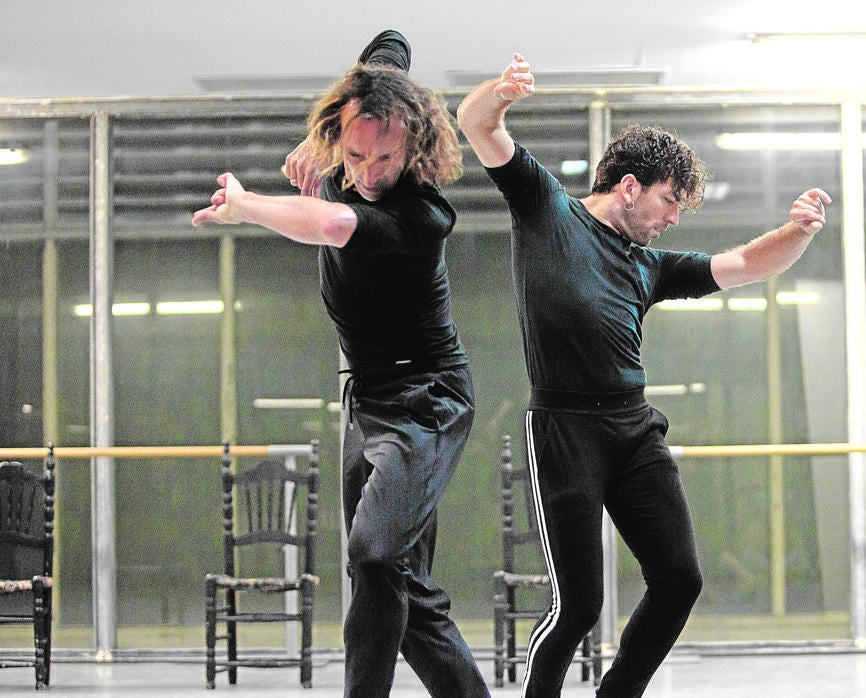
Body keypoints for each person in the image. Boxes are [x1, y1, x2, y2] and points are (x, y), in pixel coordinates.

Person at [457, 53, 832, 697]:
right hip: (565, 429)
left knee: (680, 578)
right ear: (630, 186)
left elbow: (744, 264)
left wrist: (797, 231)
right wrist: (499, 95)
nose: (673, 218)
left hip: (632, 431)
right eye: (668, 201)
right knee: (578, 606)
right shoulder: (547, 210)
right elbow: (477, 125)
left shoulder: (649, 265)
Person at [192, 30, 491, 698]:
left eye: (384, 156)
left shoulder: (422, 213)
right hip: (368, 401)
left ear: (412, 147)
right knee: (391, 580)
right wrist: (322, 137)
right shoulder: (351, 142)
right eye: (353, 153)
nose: (367, 171)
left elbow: (328, 226)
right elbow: (392, 44)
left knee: (376, 555)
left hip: (428, 400)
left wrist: (243, 203)